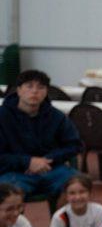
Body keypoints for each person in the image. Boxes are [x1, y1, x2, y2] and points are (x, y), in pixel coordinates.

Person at [0, 70, 82, 200]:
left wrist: (47, 160)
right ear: (19, 90)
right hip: (13, 173)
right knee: (7, 193)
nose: (35, 91)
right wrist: (28, 162)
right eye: (29, 86)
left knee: (76, 186)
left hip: (51, 169)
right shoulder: (3, 116)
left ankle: (63, 220)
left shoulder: (57, 117)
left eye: (40, 87)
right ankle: (15, 221)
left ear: (46, 92)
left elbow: (75, 145)